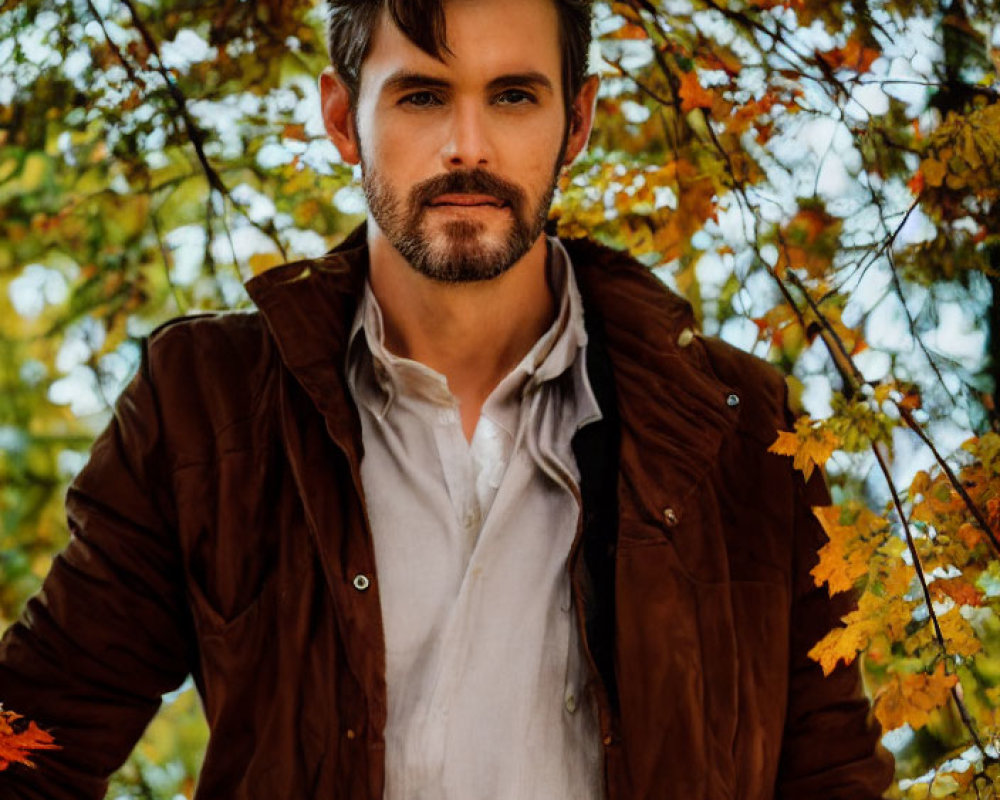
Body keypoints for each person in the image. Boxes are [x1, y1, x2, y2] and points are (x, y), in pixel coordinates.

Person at [0, 0, 894, 797]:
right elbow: (33, 738)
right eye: (423, 95)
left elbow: (831, 774)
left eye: (513, 96)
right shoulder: (208, 408)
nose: (468, 143)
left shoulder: (740, 428)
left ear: (576, 123)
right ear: (344, 118)